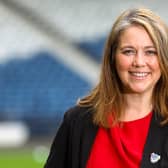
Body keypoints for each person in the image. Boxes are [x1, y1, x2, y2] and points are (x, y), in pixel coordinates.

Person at [44, 7, 168, 168]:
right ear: (112, 57)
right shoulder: (77, 121)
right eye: (128, 51)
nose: (139, 62)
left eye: (150, 52)